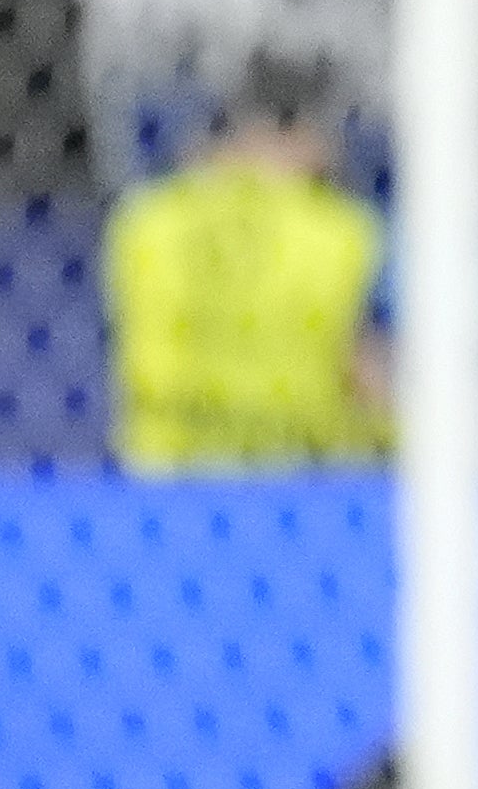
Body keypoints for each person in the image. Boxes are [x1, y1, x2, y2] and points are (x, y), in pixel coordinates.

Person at [106, 50, 391, 476]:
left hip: (166, 474)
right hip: (305, 475)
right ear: (309, 133)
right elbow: (364, 374)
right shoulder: (341, 230)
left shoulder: (145, 219)